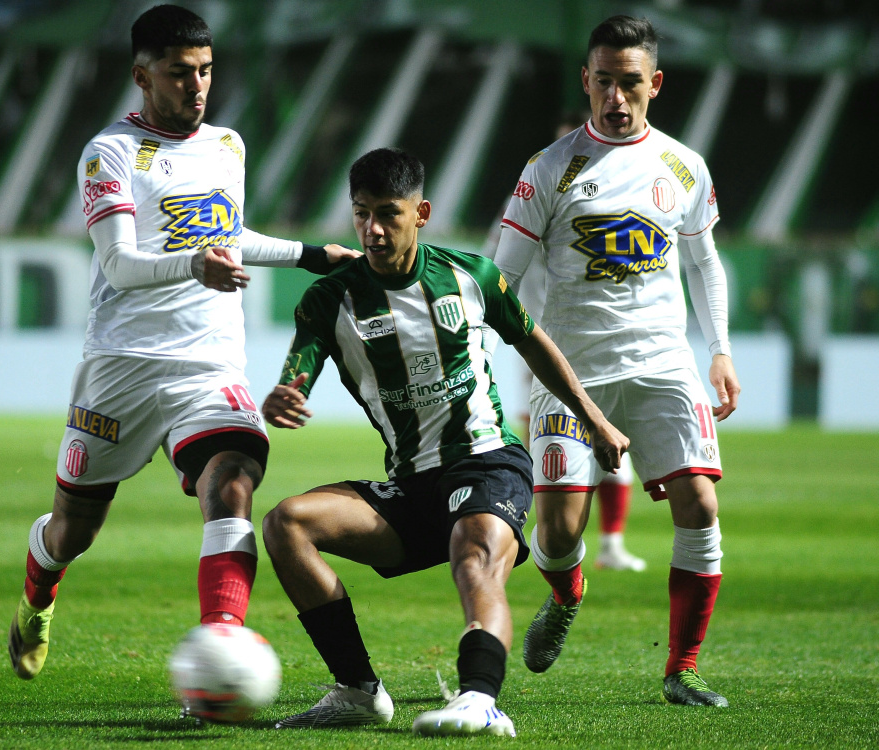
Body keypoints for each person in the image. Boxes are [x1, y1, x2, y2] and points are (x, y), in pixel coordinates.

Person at [7, 4, 358, 682]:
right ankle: (38, 594)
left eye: (205, 70)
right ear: (142, 76)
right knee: (72, 532)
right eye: (178, 73)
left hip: (209, 360)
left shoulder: (227, 145)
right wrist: (196, 264)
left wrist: (311, 254)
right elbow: (119, 265)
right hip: (124, 366)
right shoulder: (109, 153)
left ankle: (220, 645)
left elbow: (230, 234)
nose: (196, 86)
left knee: (233, 483)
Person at [260, 147, 628, 736]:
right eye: (361, 214)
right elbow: (296, 372)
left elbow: (533, 342)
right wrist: (285, 393)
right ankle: (357, 691)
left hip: (487, 463)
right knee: (287, 524)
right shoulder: (330, 300)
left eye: (388, 213)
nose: (373, 230)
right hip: (412, 486)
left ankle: (480, 699)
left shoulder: (471, 276)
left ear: (421, 213)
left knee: (473, 555)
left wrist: (594, 419)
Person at [492, 15, 740, 707]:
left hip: (663, 362)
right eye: (603, 81)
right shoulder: (549, 168)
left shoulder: (683, 166)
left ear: (654, 84)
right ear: (586, 80)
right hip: (572, 372)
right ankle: (566, 594)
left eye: (630, 82)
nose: (615, 97)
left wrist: (719, 349)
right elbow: (503, 276)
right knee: (557, 532)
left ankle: (682, 668)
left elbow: (704, 263)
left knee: (700, 503)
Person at [485, 110, 646, 574]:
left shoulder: (616, 199)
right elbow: (498, 264)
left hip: (603, 338)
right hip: (539, 337)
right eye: (563, 144)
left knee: (612, 429)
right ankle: (530, 522)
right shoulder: (531, 194)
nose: (572, 154)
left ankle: (611, 542)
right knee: (538, 432)